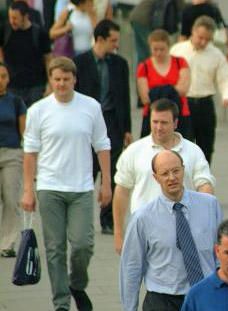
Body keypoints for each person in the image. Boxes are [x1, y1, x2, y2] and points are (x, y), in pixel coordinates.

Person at [21, 57, 111, 311]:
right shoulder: (38, 110)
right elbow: (30, 152)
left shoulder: (90, 106)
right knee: (55, 248)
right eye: (57, 79)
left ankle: (77, 284)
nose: (61, 84)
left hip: (81, 187)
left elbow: (102, 145)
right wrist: (28, 190)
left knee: (83, 245)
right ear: (51, 79)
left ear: (74, 79)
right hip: (49, 187)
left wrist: (106, 183)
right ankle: (61, 302)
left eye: (66, 79)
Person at [120, 150, 222, 311]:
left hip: (206, 296)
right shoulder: (142, 218)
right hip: (163, 300)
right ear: (155, 177)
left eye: (176, 171)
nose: (172, 178)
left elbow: (221, 253)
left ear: (183, 170)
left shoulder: (210, 205)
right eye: (165, 173)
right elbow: (131, 267)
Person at [113, 98, 215, 254]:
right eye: (155, 122)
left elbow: (205, 186)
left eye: (164, 123)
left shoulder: (193, 151)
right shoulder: (134, 151)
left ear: (175, 123)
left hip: (185, 227)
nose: (158, 127)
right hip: (145, 228)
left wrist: (204, 224)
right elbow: (122, 191)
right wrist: (119, 234)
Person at [73, 19, 131, 235]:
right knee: (88, 172)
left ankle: (107, 219)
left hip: (112, 123)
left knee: (113, 173)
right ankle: (82, 218)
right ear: (100, 39)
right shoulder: (79, 63)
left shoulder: (120, 64)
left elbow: (124, 97)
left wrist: (127, 129)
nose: (116, 44)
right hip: (86, 125)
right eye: (113, 40)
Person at [170, 16, 228, 163]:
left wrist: (227, 96)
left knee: (206, 147)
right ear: (193, 32)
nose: (203, 42)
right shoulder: (178, 51)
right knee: (181, 146)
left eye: (208, 39)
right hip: (182, 103)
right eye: (200, 37)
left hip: (205, 104)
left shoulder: (216, 54)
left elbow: (225, 78)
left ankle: (203, 182)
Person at [137, 29, 192, 139]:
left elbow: (183, 89)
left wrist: (156, 91)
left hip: (180, 114)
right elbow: (145, 98)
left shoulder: (180, 62)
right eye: (155, 49)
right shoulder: (144, 67)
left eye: (162, 49)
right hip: (153, 116)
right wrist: (171, 89)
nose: (159, 53)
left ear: (168, 47)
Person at [1, 1, 51, 107]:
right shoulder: (5, 31)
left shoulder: (40, 34)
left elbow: (48, 60)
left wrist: (50, 84)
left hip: (36, 86)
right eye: (10, 17)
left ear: (25, 16)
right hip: (12, 86)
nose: (12, 21)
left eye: (15, 18)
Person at [0, 62, 26, 258]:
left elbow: (24, 132)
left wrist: (28, 157)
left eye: (3, 76)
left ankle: (7, 243)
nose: (1, 81)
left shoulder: (15, 102)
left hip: (11, 154)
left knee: (11, 199)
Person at [129, 0, 184, 65]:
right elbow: (182, 8)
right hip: (146, 20)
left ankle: (140, 73)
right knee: (153, 50)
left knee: (142, 53)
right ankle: (149, 73)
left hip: (136, 17)